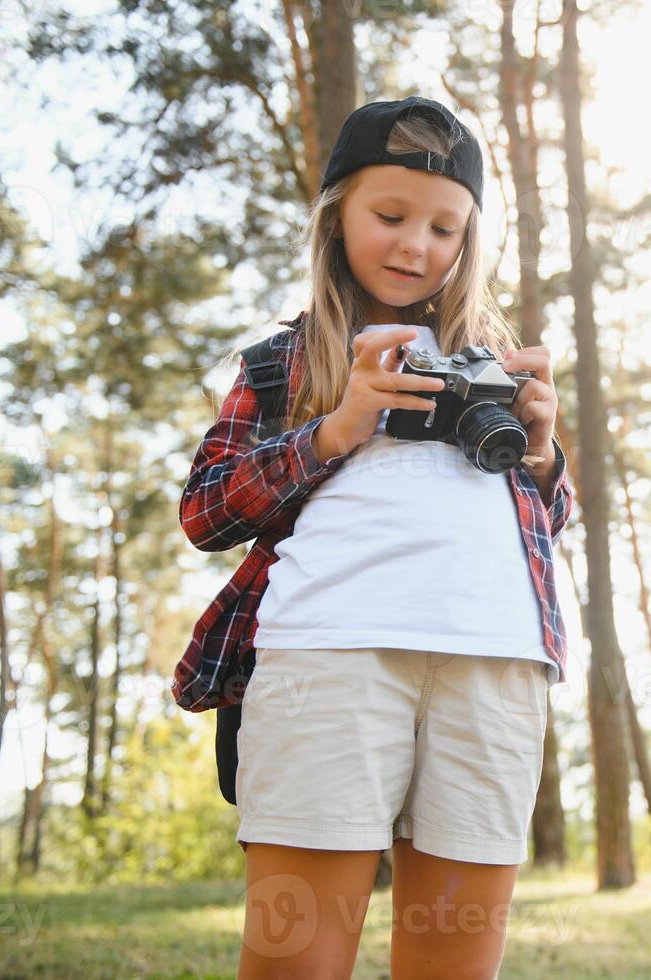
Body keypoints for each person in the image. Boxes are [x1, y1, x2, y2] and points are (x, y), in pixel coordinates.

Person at [173, 96, 574, 980]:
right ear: (336, 217)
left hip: (496, 665)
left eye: (444, 227)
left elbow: (546, 524)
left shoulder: (490, 363)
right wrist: (336, 426)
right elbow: (206, 511)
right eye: (388, 216)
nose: (415, 246)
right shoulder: (283, 361)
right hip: (329, 658)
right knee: (294, 961)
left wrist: (541, 454)